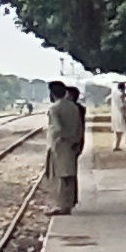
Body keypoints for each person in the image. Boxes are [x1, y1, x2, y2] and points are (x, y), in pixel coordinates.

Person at [40, 79, 86, 212]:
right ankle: (69, 203)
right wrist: (75, 140)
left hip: (60, 145)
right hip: (73, 144)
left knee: (59, 176)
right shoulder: (74, 107)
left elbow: (57, 128)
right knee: (70, 175)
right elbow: (79, 127)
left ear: (52, 93)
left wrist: (54, 141)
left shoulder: (54, 108)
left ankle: (61, 206)